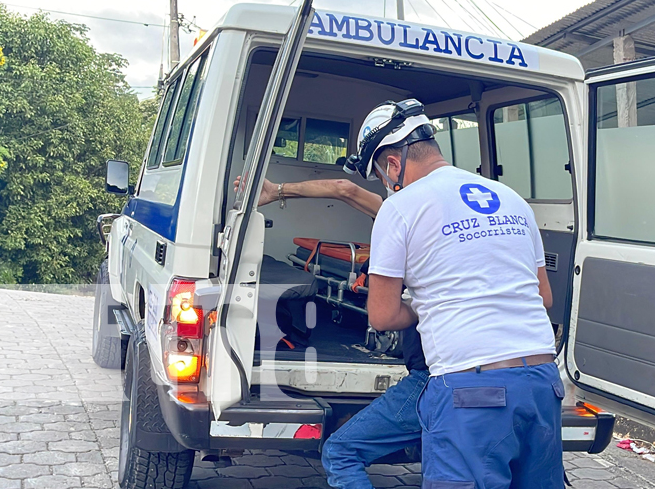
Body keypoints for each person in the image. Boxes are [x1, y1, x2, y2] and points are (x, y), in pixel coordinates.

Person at [350, 99, 560, 488]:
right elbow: (543, 298)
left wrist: (421, 307)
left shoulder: (400, 208)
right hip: (542, 381)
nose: (386, 184)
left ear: (393, 164)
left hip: (472, 389)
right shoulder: (511, 199)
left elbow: (381, 315)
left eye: (381, 174)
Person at [234, 175, 431, 489]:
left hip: (432, 376)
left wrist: (279, 190)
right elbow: (345, 190)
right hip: (494, 374)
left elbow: (382, 317)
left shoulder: (401, 213)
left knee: (341, 451)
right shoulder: (445, 222)